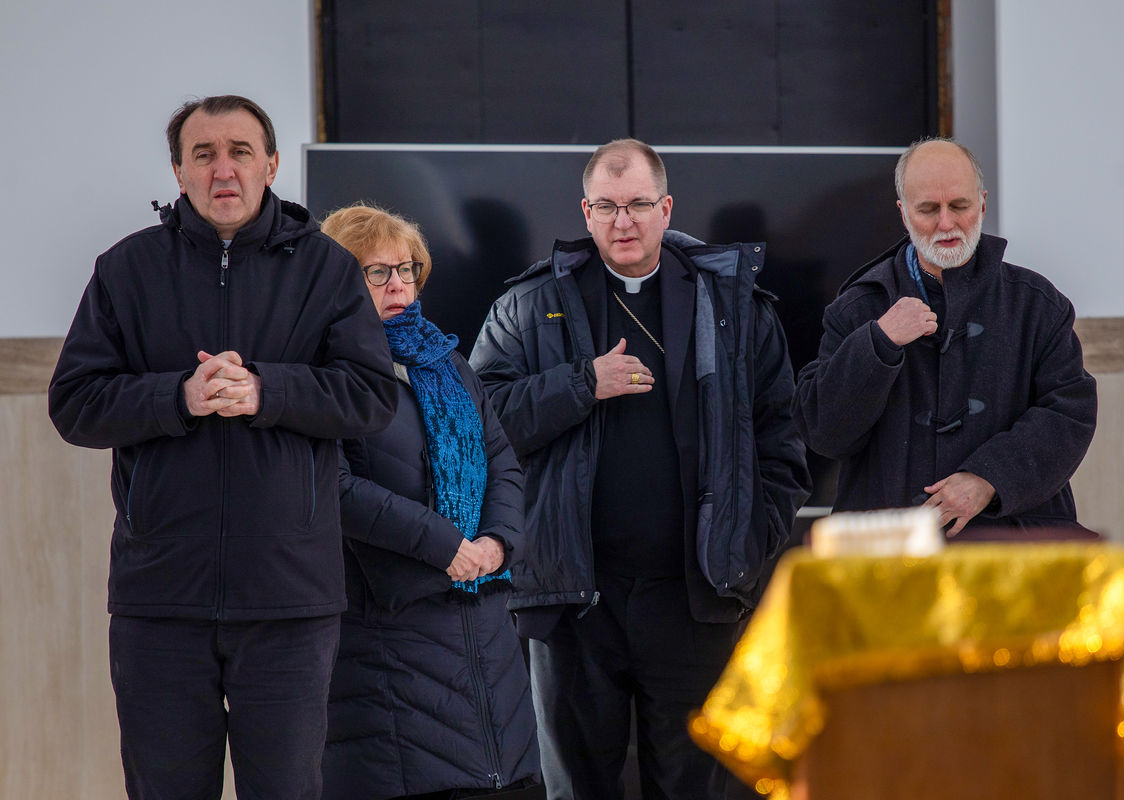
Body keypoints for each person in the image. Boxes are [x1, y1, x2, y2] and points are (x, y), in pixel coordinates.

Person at [47, 95, 399, 800]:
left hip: (290, 599)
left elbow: (370, 397)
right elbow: (75, 404)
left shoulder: (327, 270)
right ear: (178, 172)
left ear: (270, 164)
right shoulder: (126, 269)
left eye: (240, 151)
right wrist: (179, 396)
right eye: (203, 154)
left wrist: (267, 391)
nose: (223, 169)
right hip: (160, 599)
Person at [469, 139, 811, 800]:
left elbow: (782, 441)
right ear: (585, 211)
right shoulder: (527, 306)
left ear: (666, 208)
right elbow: (478, 429)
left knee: (693, 786)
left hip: (694, 597)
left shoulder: (734, 307)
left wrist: (747, 543)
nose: (623, 222)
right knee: (576, 785)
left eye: (638, 206)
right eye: (607, 207)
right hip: (573, 599)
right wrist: (580, 384)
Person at [318, 203, 540, 799]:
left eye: (407, 269)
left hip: (484, 624)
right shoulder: (324, 371)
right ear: (338, 282)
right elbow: (333, 489)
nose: (399, 285)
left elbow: (502, 461)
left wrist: (498, 541)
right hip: (386, 632)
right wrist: (447, 547)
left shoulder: (448, 363)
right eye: (377, 273)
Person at [793, 137, 1097, 535]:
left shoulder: (1037, 305)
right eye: (928, 209)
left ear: (983, 204)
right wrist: (878, 344)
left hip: (1012, 548)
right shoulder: (859, 308)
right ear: (903, 214)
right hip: (892, 555)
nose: (946, 224)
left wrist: (989, 479)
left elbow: (1068, 412)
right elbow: (824, 434)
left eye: (959, 206)